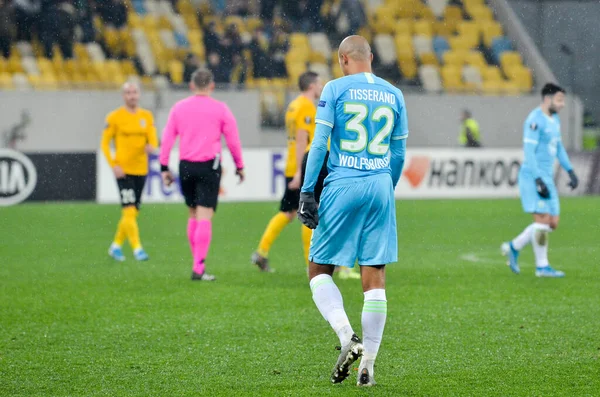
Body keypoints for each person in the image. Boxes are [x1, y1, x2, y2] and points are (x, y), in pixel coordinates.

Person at [298, 35, 408, 386]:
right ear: (371, 57)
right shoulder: (395, 94)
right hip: (380, 184)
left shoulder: (335, 88)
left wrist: (307, 190)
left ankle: (347, 337)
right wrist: (384, 189)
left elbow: (319, 144)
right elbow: (399, 154)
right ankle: (369, 367)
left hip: (342, 184)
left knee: (318, 270)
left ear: (343, 59)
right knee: (374, 278)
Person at [159, 68, 245, 281]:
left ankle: (197, 262)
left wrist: (163, 167)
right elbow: (233, 140)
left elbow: (167, 139)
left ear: (191, 85)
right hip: (208, 166)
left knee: (193, 214)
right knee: (205, 215)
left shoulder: (179, 108)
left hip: (186, 166)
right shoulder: (221, 109)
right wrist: (239, 165)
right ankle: (198, 267)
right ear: (212, 86)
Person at [501, 83, 578, 277]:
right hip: (533, 176)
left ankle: (513, 246)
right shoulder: (534, 120)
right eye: (559, 100)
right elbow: (529, 152)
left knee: (552, 222)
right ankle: (542, 267)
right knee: (543, 221)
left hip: (546, 177)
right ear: (547, 99)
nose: (562, 105)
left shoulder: (555, 119)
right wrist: (537, 180)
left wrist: (570, 171)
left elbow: (558, 147)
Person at [250, 71, 323, 272]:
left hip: (292, 163)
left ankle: (262, 252)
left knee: (288, 211)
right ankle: (311, 264)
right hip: (303, 165)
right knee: (310, 210)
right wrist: (302, 172)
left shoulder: (293, 106)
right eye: (319, 84)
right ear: (311, 86)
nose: (321, 88)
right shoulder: (306, 107)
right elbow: (302, 139)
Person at [102, 82, 158, 262]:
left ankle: (115, 246)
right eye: (128, 93)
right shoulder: (114, 117)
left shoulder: (146, 116)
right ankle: (137, 249)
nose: (131, 96)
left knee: (132, 212)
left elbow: (154, 140)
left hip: (141, 170)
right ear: (123, 96)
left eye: (134, 92)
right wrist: (113, 165)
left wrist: (152, 147)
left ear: (139, 94)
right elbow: (104, 144)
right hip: (123, 171)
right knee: (129, 210)